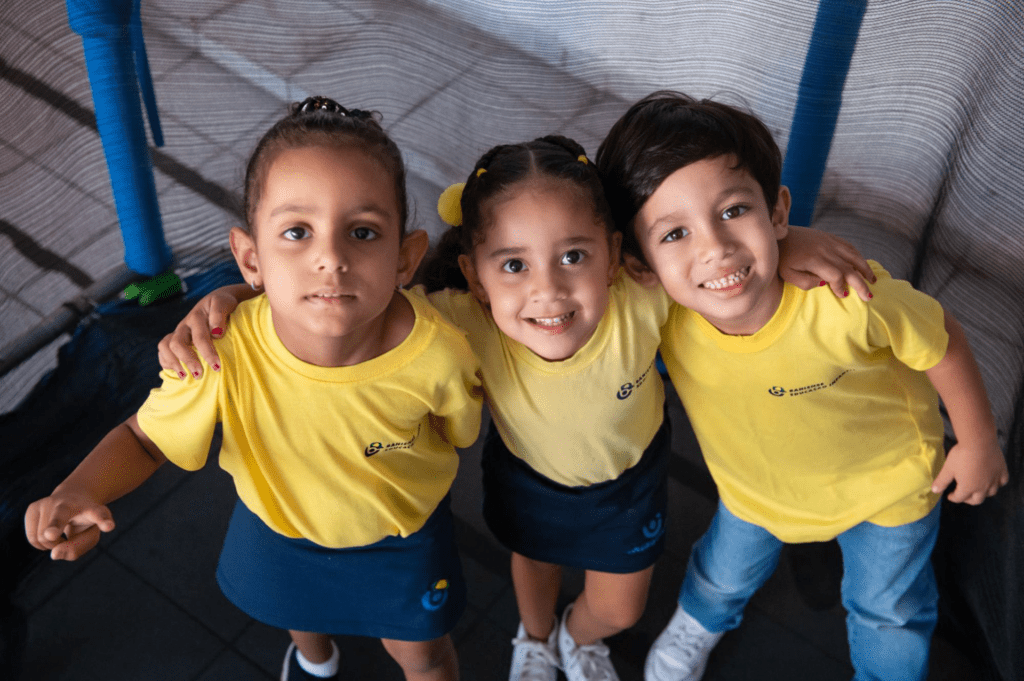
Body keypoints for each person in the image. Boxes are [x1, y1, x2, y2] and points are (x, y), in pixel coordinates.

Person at [157, 129, 875, 681]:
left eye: (573, 256)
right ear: (473, 275)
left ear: (614, 250)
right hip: (527, 478)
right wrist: (233, 297)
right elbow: (338, 294)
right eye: (513, 265)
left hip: (627, 485)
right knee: (533, 564)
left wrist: (784, 241)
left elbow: (707, 266)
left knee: (618, 607)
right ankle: (534, 638)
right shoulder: (459, 316)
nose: (547, 292)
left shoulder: (643, 296)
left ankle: (577, 637)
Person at [24, 97, 483, 681]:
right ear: (250, 258)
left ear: (406, 257)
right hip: (281, 533)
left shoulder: (441, 352)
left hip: (402, 540)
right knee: (301, 616)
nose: (330, 259)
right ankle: (316, 664)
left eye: (362, 231)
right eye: (297, 231)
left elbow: (457, 431)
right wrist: (79, 487)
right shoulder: (219, 351)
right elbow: (145, 440)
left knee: (424, 656)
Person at [596, 91, 1010, 681]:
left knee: (889, 610)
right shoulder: (657, 312)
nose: (715, 249)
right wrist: (785, 240)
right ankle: (699, 623)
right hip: (757, 491)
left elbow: (940, 336)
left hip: (888, 488)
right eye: (674, 234)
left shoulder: (845, 299)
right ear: (638, 264)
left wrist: (977, 440)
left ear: (778, 211)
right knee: (720, 574)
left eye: (734, 211)